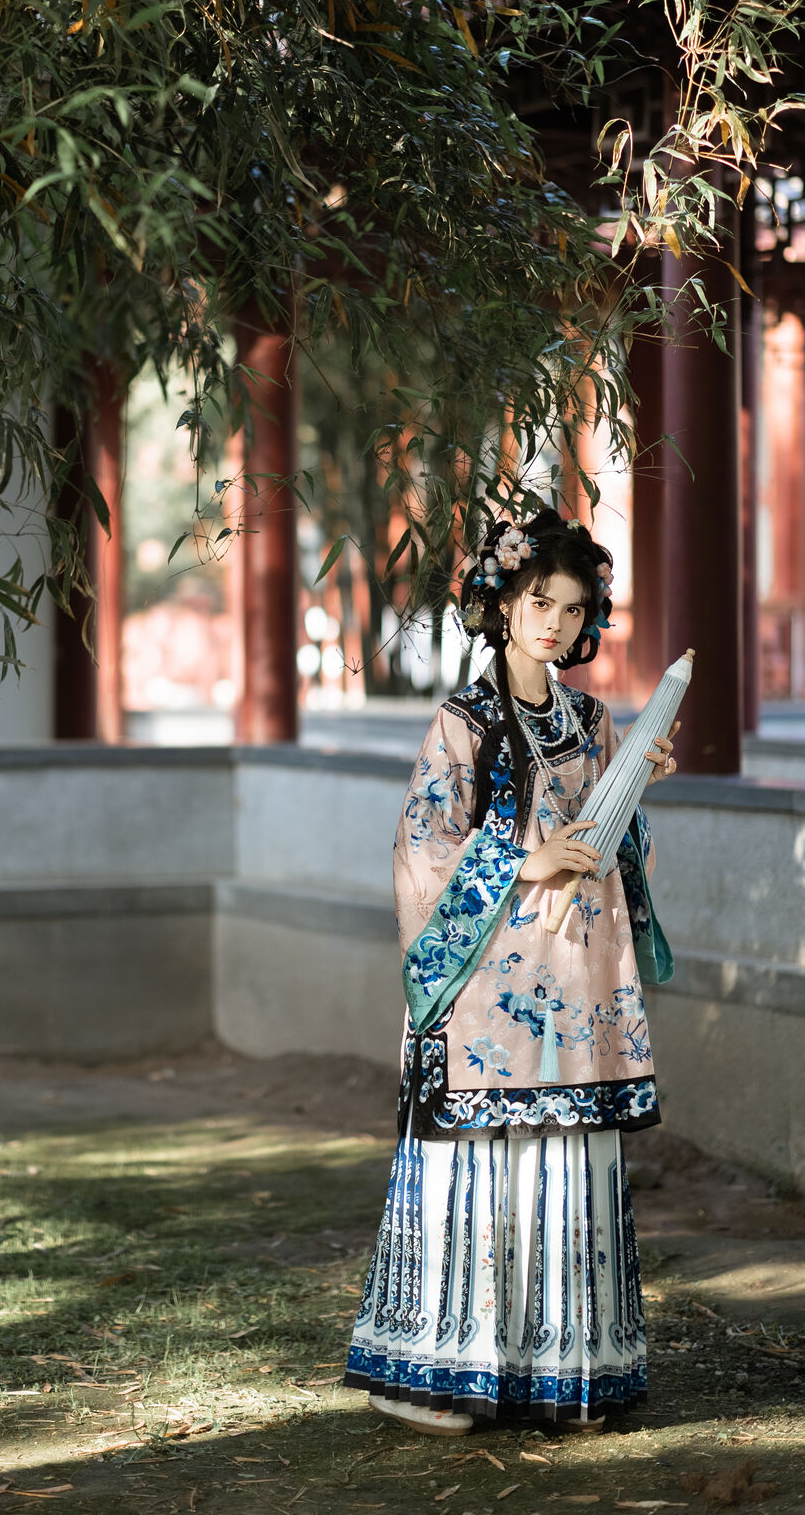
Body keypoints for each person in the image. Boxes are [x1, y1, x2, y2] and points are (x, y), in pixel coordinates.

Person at [343, 507, 679, 1434]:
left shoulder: (592, 720)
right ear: (500, 604)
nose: (556, 624)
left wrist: (636, 784)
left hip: (574, 988)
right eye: (539, 602)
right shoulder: (464, 722)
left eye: (574, 609)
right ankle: (445, 1376)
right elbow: (421, 852)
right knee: (485, 1172)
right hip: (488, 998)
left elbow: (613, 846)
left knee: (567, 1168)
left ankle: (564, 1377)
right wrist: (527, 859)